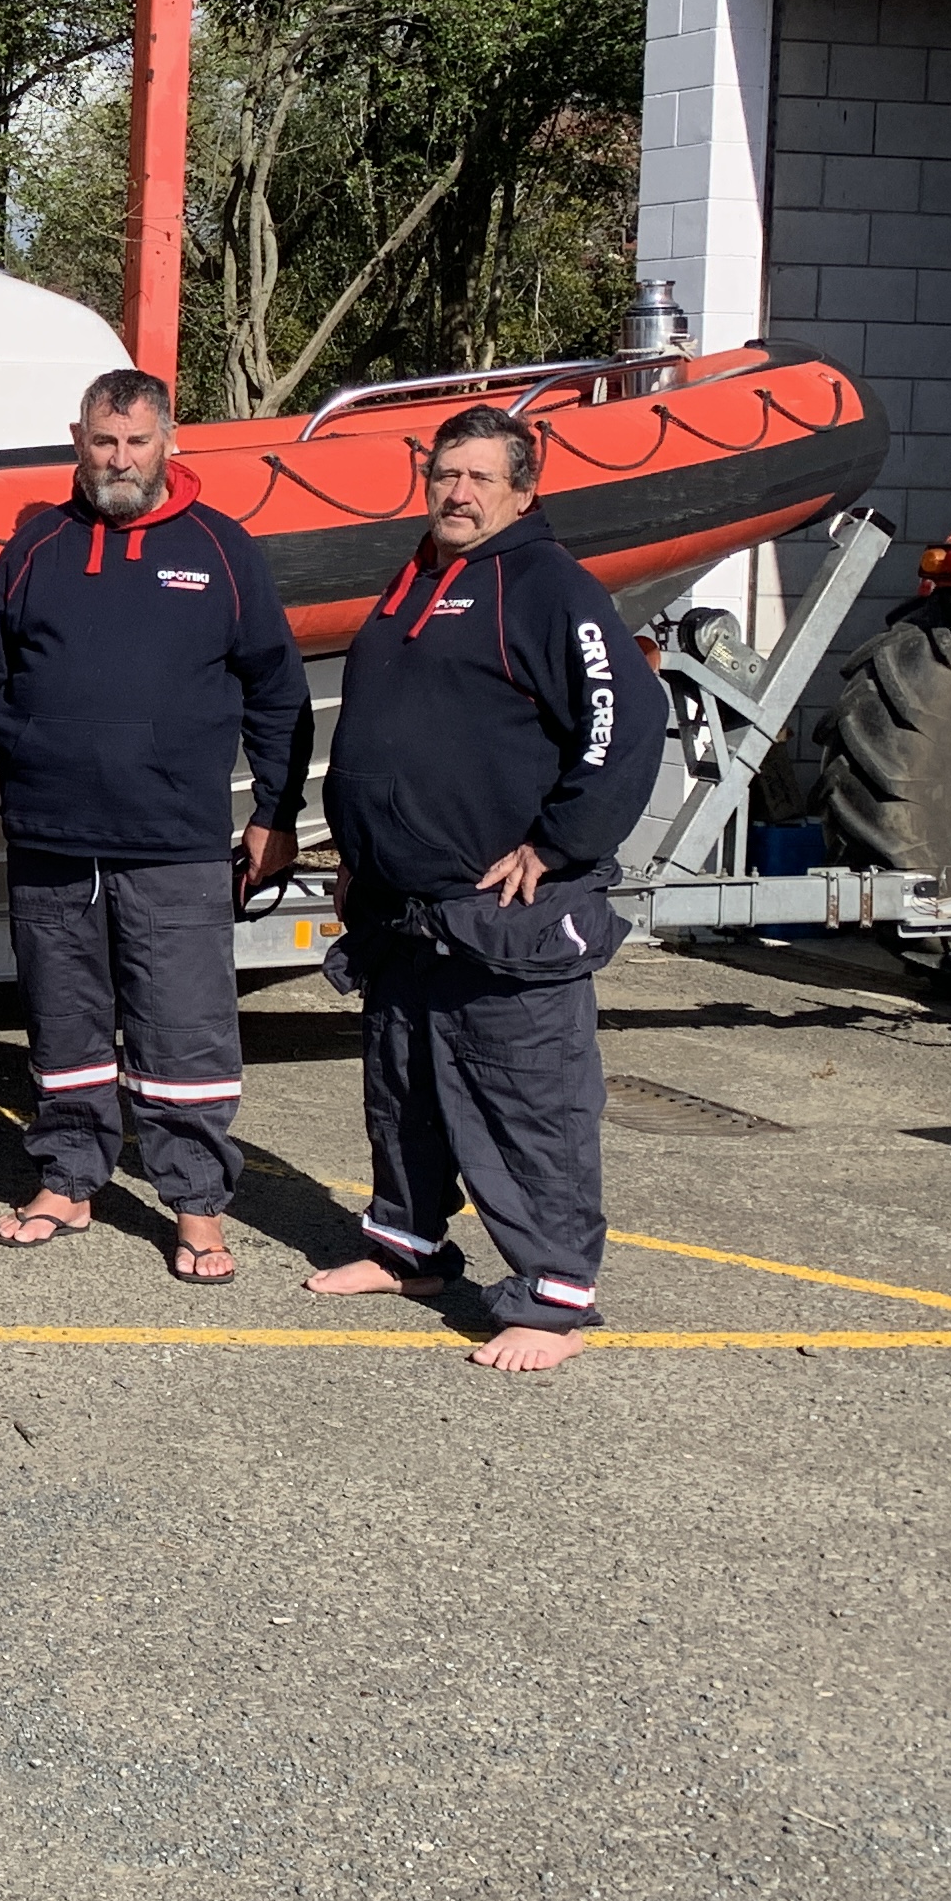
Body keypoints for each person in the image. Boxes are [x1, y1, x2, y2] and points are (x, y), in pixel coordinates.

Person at [303, 402, 662, 1374]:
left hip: (502, 915)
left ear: (522, 489)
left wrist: (560, 840)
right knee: (404, 1095)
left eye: (477, 478)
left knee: (527, 1105)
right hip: (404, 911)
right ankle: (407, 1248)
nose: (456, 493)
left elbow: (624, 719)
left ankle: (550, 1300)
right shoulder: (421, 575)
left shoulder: (547, 587)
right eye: (444, 475)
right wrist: (362, 848)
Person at [0, 370, 311, 1285]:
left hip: (174, 840)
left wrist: (276, 813)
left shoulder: (221, 551)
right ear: (78, 439)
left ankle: (196, 1205)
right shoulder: (34, 547)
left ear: (167, 443)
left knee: (186, 1032)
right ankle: (68, 1179)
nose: (120, 460)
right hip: (52, 838)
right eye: (105, 442)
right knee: (63, 1021)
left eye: (137, 442)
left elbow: (277, 690)